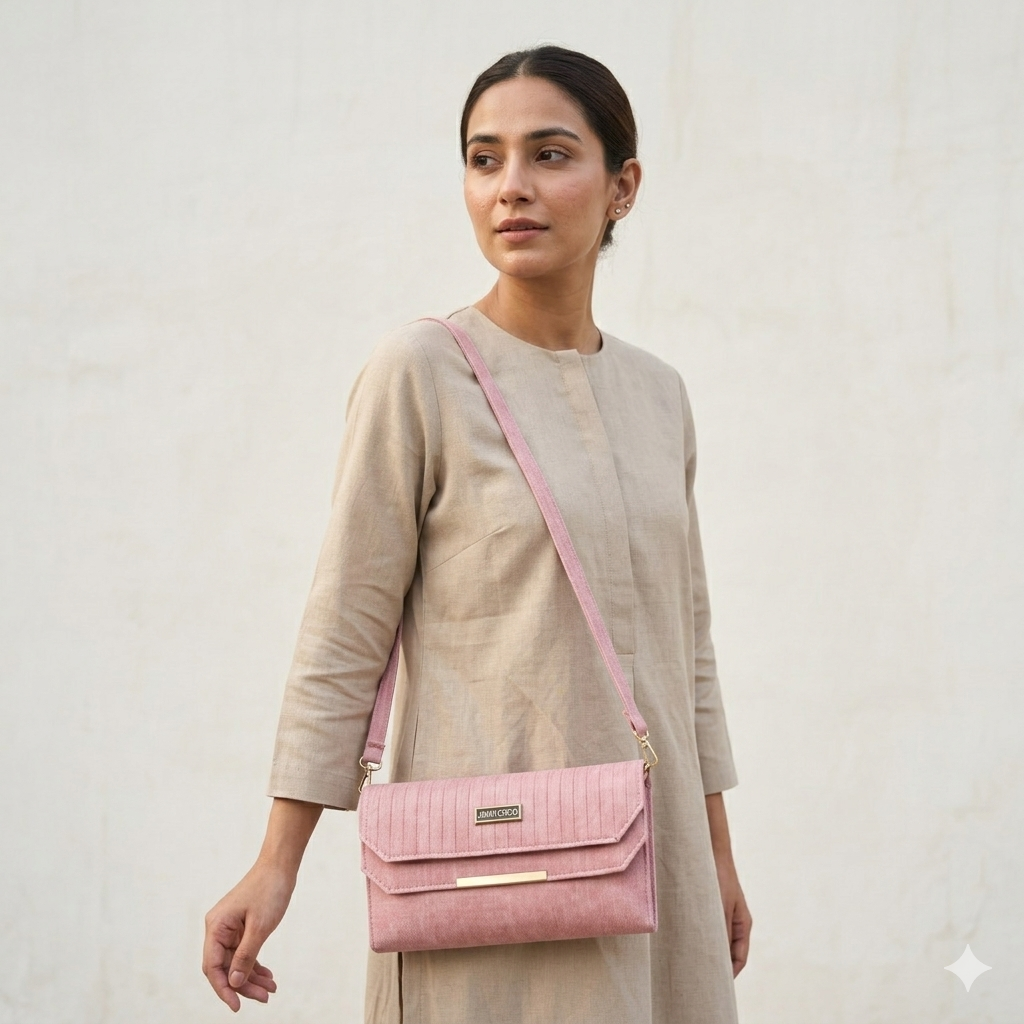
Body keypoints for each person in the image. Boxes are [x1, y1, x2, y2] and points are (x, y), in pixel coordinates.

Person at [202, 44, 751, 1024]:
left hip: (658, 869)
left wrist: (714, 857)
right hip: (490, 867)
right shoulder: (420, 372)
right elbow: (345, 628)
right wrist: (276, 861)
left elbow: (688, 652)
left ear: (622, 187)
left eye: (550, 154)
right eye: (484, 158)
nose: (511, 188)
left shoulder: (658, 395)